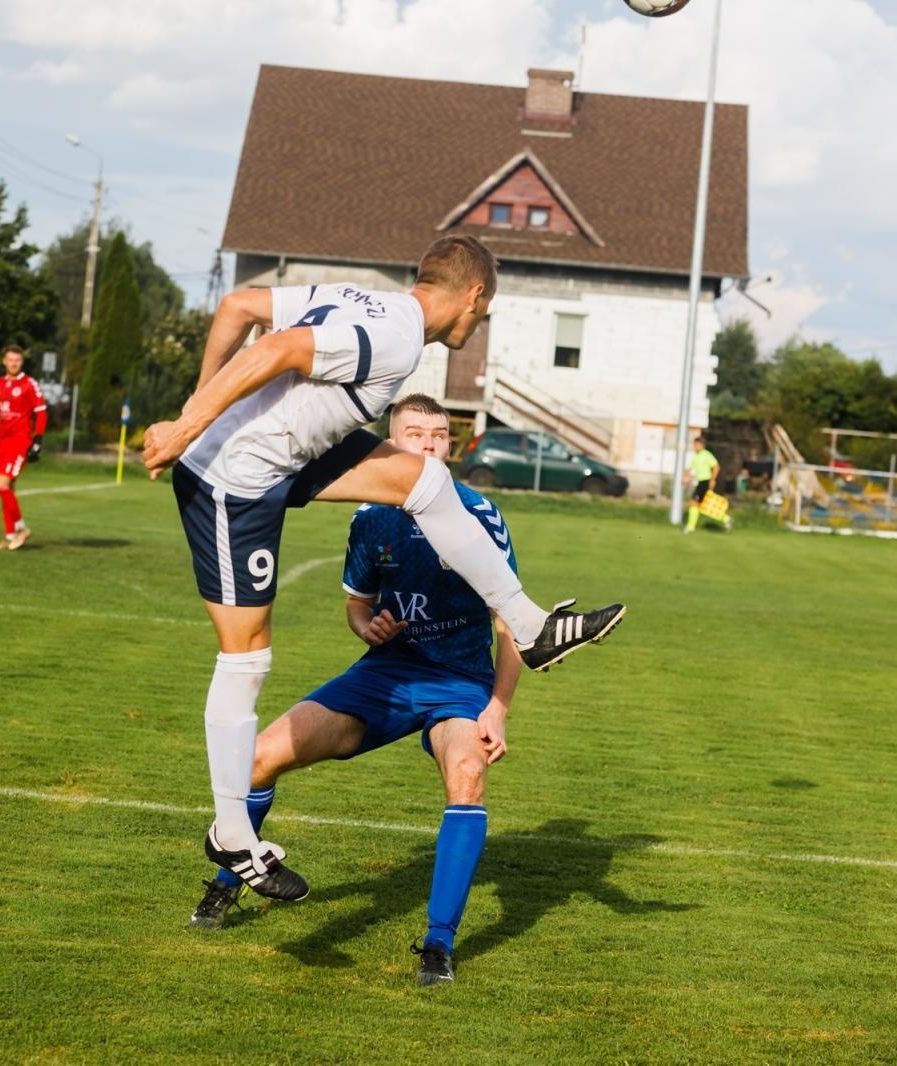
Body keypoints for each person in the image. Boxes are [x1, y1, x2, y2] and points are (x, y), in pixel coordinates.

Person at [143, 235, 625, 904]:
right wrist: (192, 427)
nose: (476, 326)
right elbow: (276, 347)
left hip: (291, 451)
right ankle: (231, 828)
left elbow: (236, 305)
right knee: (245, 657)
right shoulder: (398, 338)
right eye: (483, 315)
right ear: (474, 296)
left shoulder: (358, 297)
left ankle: (531, 625)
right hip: (236, 482)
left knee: (425, 480)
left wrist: (201, 408)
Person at [185, 394, 521, 987]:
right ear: (392, 446)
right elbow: (358, 604)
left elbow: (512, 620)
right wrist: (369, 626)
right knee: (261, 755)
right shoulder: (370, 518)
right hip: (385, 676)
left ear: (451, 446)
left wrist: (497, 707)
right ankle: (226, 881)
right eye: (414, 434)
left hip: (459, 684)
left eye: (438, 435)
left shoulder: (480, 513)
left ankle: (438, 946)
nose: (427, 444)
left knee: (468, 774)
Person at [0, 346, 47, 550]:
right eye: (10, 360)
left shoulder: (29, 384)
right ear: (4, 361)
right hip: (2, 442)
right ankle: (10, 535)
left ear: (21, 363)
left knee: (1, 486)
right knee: (8, 489)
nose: (13, 363)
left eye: (17, 360)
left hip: (20, 441)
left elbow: (41, 413)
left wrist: (38, 440)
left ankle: (22, 529)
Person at [683, 434, 730, 533]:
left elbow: (716, 467)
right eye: (694, 444)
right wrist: (685, 477)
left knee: (694, 503)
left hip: (705, 481)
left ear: (702, 445)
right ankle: (726, 519)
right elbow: (689, 468)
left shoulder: (706, 455)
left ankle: (690, 527)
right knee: (704, 505)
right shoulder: (695, 456)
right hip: (700, 482)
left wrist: (713, 480)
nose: (695, 446)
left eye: (697, 445)